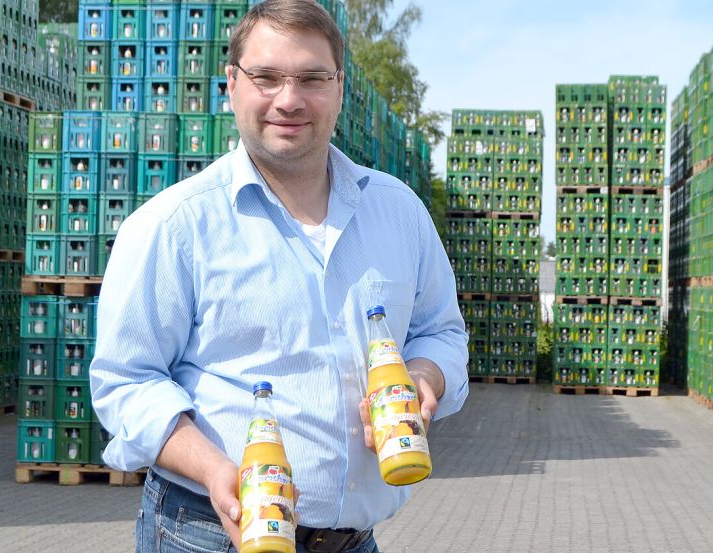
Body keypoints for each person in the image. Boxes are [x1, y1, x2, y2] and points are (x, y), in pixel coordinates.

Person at [89, 1, 469, 552]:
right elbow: (126, 382)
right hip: (211, 533)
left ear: (340, 88)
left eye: (312, 78)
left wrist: (424, 377)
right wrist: (214, 467)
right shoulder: (174, 226)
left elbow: (442, 331)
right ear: (232, 85)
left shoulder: (398, 213)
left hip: (353, 541)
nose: (288, 100)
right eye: (266, 77)